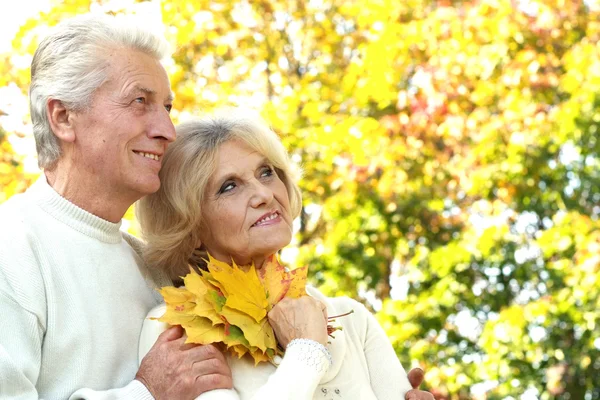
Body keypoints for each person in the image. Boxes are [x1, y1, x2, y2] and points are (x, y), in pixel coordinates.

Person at [0, 13, 233, 399]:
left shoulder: (157, 269)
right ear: (63, 117)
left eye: (168, 108)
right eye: (140, 101)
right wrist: (148, 392)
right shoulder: (11, 250)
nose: (167, 131)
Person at [136, 109, 435, 400]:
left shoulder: (354, 319)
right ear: (189, 227)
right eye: (230, 187)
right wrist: (306, 352)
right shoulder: (177, 330)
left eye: (266, 172)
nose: (265, 194)